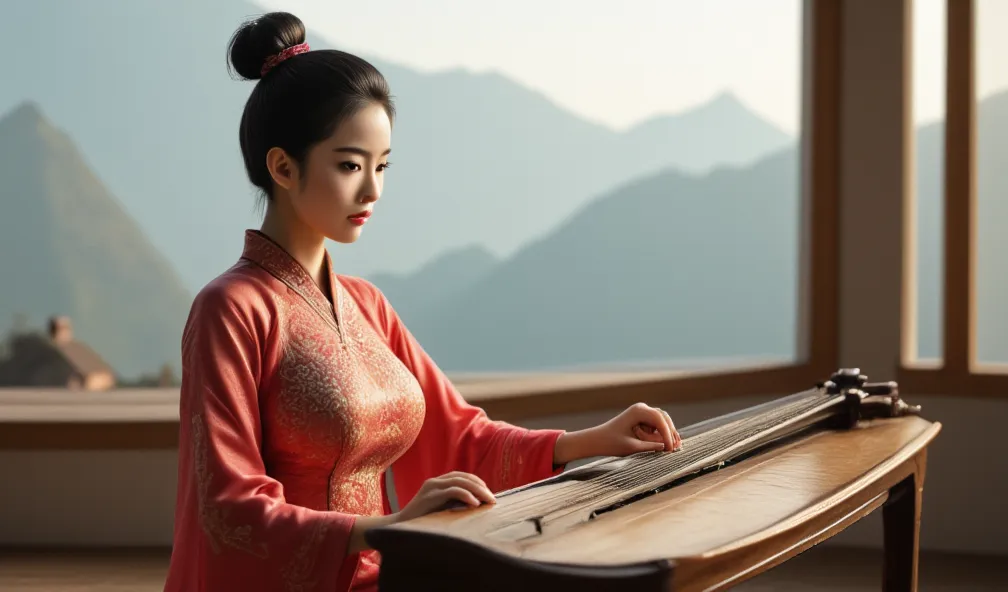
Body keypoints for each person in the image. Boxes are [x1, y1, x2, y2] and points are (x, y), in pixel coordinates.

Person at [163, 11, 682, 592]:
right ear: (283, 166)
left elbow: (458, 436)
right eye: (349, 165)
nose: (372, 190)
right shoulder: (230, 310)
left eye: (381, 167)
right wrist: (387, 526)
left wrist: (591, 441)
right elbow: (229, 506)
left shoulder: (366, 304)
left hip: (383, 575)